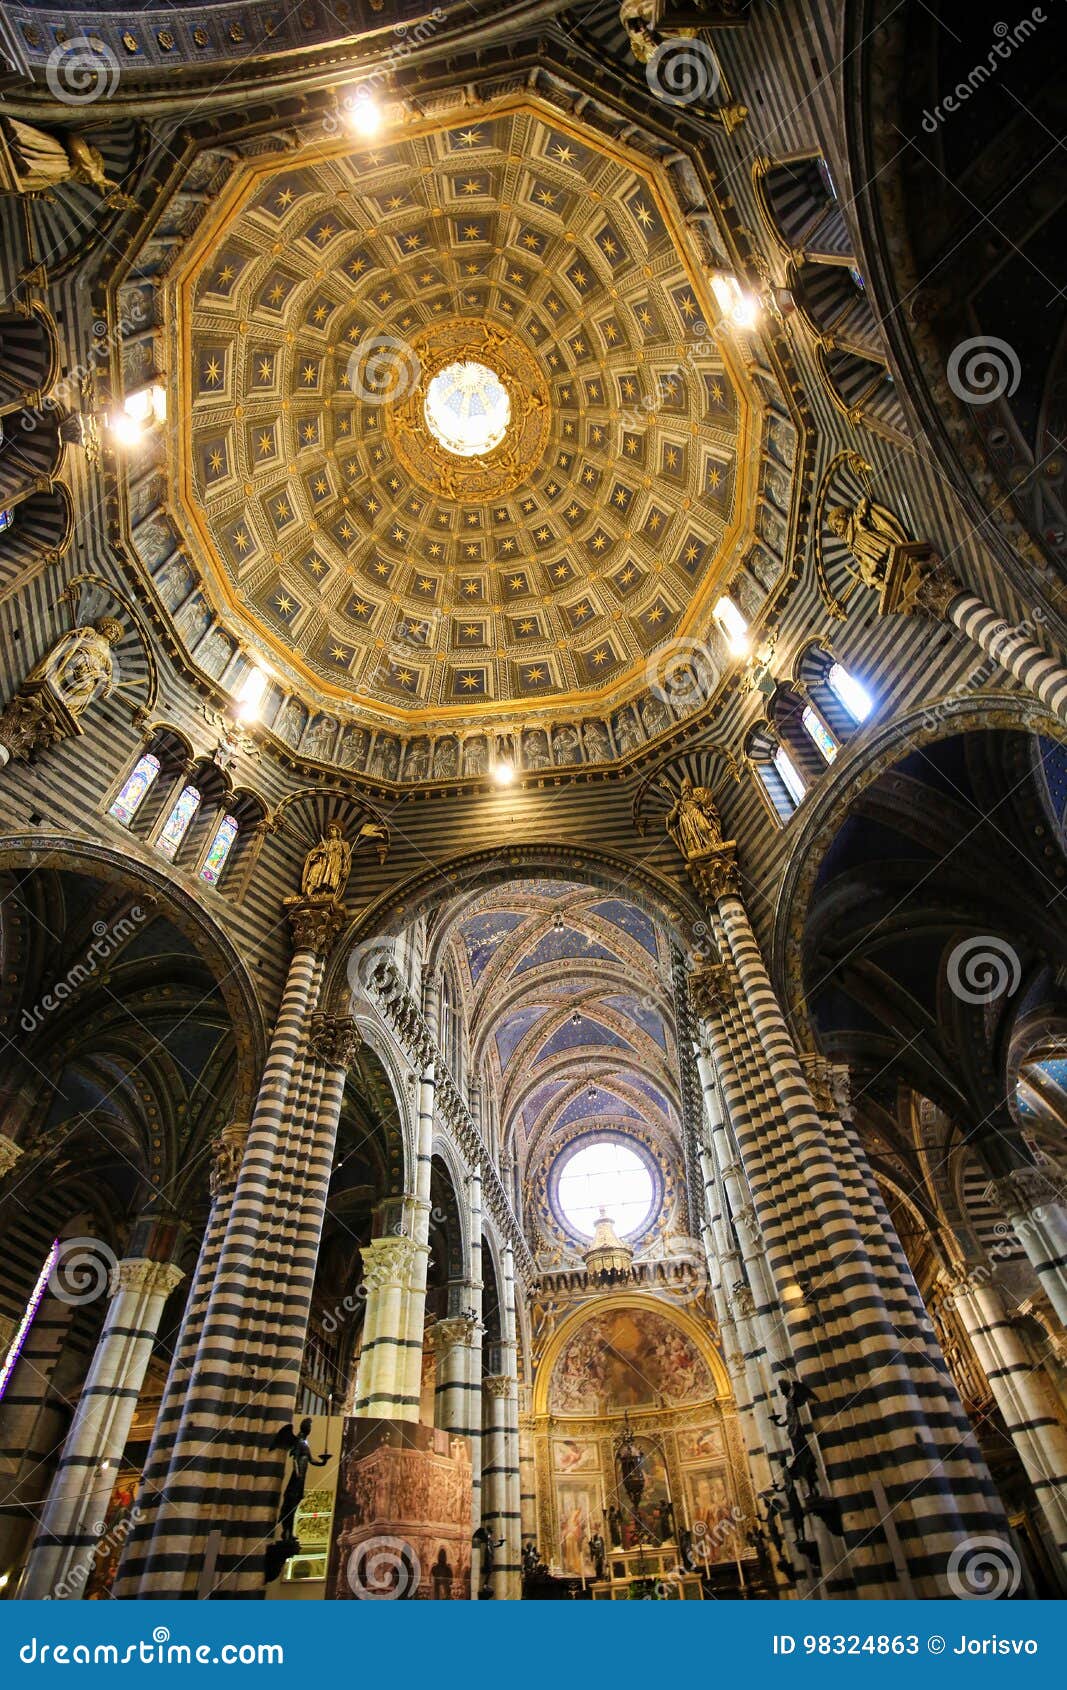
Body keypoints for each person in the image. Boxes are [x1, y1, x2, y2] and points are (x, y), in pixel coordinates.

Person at [24, 618, 123, 718]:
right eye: (110, 628)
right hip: (79, 658)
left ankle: (67, 703)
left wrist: (107, 684)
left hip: (91, 676)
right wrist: (79, 635)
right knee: (66, 674)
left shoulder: (109, 657)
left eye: (115, 633)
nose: (112, 632)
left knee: (87, 688)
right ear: (103, 628)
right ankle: (52, 687)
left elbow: (107, 678)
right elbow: (74, 636)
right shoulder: (92, 633)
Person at [275, 1417, 329, 1541]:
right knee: (291, 1502)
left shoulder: (305, 1443)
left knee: (296, 1501)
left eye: (310, 1427)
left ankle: (289, 1532)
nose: (310, 1429)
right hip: (298, 1476)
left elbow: (311, 1460)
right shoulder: (299, 1441)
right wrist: (298, 1473)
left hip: (302, 1476)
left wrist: (323, 1462)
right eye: (309, 1427)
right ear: (304, 1428)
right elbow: (295, 1458)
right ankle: (286, 1532)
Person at [664, 776, 723, 860]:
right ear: (681, 791)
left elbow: (708, 807)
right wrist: (676, 807)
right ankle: (696, 849)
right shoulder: (679, 804)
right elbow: (670, 820)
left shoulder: (696, 799)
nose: (687, 789)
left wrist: (702, 803)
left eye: (689, 787)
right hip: (686, 823)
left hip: (698, 815)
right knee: (690, 837)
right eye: (685, 788)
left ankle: (713, 843)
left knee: (704, 828)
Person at [300, 820, 352, 899]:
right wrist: (319, 852)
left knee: (328, 879)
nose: (331, 831)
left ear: (338, 832)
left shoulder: (344, 844)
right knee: (314, 873)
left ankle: (325, 893)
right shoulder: (323, 843)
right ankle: (309, 892)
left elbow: (347, 858)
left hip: (334, 864)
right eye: (330, 830)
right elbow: (311, 854)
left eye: (333, 829)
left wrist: (345, 869)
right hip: (322, 861)